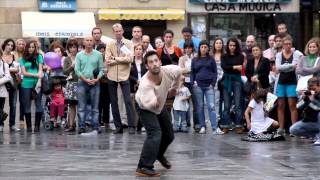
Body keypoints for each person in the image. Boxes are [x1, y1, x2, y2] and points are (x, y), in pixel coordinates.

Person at [135, 50, 181, 177]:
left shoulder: (169, 70)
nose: (154, 64)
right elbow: (146, 104)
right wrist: (153, 101)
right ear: (147, 66)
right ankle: (143, 166)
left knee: (169, 135)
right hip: (145, 107)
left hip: (159, 106)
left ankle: (158, 154)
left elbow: (179, 72)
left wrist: (174, 88)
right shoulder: (145, 84)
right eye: (151, 62)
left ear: (160, 62)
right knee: (155, 134)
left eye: (156, 61)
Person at [105, 23, 135, 134]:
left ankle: (131, 125)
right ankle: (118, 126)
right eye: (115, 31)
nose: (118, 33)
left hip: (124, 75)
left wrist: (115, 58)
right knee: (114, 102)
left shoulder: (128, 43)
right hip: (112, 75)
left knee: (127, 101)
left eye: (119, 31)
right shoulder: (110, 43)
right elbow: (107, 60)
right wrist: (120, 59)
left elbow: (130, 59)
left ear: (122, 31)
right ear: (113, 32)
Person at [75, 36, 104, 135]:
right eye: (87, 40)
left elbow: (101, 69)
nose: (89, 42)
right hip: (82, 82)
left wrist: (97, 78)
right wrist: (85, 79)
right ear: (83, 42)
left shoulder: (98, 54)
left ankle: (95, 126)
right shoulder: (79, 55)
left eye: (91, 40)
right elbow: (77, 70)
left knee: (95, 107)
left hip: (95, 83)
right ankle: (82, 126)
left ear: (93, 42)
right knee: (81, 106)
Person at [275, 35, 303, 136]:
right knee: (280, 106)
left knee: (292, 105)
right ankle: (281, 128)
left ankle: (293, 129)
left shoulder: (297, 54)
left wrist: (283, 67)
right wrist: (290, 66)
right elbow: (278, 68)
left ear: (292, 45)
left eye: (289, 44)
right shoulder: (279, 55)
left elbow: (295, 67)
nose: (288, 46)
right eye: (286, 44)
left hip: (292, 82)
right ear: (282, 45)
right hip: (281, 83)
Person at [191, 40, 220, 134]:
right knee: (200, 107)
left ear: (208, 49)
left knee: (211, 106)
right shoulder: (195, 59)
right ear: (199, 48)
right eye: (201, 47)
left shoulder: (211, 59)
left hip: (209, 86)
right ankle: (202, 126)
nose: (203, 49)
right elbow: (192, 73)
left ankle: (214, 127)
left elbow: (215, 72)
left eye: (205, 47)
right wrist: (192, 82)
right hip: (198, 86)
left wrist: (213, 83)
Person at [221, 37, 244, 134]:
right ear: (228, 46)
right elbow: (224, 67)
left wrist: (231, 67)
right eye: (230, 45)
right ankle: (226, 125)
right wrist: (235, 67)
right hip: (227, 81)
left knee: (238, 104)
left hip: (237, 81)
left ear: (236, 46)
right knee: (226, 105)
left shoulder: (241, 56)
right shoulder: (224, 56)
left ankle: (238, 125)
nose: (232, 47)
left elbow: (240, 67)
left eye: (234, 45)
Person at [19, 40, 44, 132]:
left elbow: (40, 70)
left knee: (38, 104)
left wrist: (39, 80)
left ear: (35, 48)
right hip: (26, 84)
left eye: (33, 47)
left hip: (37, 83)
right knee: (27, 105)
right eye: (29, 47)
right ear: (26, 48)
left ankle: (37, 126)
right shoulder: (22, 59)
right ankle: (29, 127)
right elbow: (24, 72)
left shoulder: (39, 57)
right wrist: (35, 75)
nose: (31, 49)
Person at [289, 77, 320, 145]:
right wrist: (303, 99)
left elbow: (318, 108)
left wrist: (313, 100)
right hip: (312, 122)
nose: (312, 91)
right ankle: (315, 136)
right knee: (293, 129)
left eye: (314, 89)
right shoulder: (309, 95)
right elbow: (298, 107)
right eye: (310, 89)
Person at [1, 38, 20, 131]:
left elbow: (17, 69)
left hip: (13, 82)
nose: (10, 47)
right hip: (2, 83)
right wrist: (10, 69)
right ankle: (1, 124)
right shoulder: (0, 56)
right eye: (8, 44)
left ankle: (12, 124)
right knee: (1, 104)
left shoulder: (14, 56)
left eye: (12, 45)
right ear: (4, 45)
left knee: (13, 104)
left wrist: (8, 69)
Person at [178, 41, 197, 131]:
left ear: (192, 48)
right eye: (186, 48)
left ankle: (196, 124)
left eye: (189, 47)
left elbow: (197, 70)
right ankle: (186, 122)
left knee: (195, 103)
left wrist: (188, 70)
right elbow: (180, 70)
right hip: (184, 82)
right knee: (184, 103)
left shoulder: (196, 57)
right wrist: (189, 69)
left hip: (194, 82)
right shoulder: (182, 58)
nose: (188, 49)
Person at [129, 43, 147, 132]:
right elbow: (127, 75)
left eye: (140, 49)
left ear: (143, 51)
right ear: (134, 51)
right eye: (137, 49)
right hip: (133, 87)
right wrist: (136, 80)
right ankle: (133, 125)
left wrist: (143, 81)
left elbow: (148, 73)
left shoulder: (145, 62)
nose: (138, 51)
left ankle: (141, 125)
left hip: (144, 87)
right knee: (134, 107)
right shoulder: (130, 62)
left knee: (143, 106)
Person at [63, 38, 79, 132]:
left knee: (81, 105)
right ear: (68, 48)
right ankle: (71, 124)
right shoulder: (67, 59)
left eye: (74, 47)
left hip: (80, 82)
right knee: (72, 105)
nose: (73, 49)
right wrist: (71, 67)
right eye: (71, 47)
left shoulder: (80, 56)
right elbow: (64, 71)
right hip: (71, 83)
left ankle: (81, 124)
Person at [212, 37, 225, 124]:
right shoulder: (210, 55)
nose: (218, 45)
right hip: (213, 80)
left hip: (223, 80)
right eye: (217, 43)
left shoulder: (225, 55)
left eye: (220, 43)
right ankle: (215, 119)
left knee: (224, 101)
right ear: (214, 45)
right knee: (215, 101)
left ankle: (222, 119)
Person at [0, 48, 13, 132]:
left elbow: (8, 77)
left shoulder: (4, 64)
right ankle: (3, 116)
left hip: (1, 89)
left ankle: (1, 124)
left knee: (0, 107)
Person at [14, 39, 26, 130]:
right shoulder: (13, 54)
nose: (21, 45)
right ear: (16, 45)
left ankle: (21, 119)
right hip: (14, 79)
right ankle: (12, 122)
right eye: (19, 44)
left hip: (24, 79)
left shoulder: (26, 55)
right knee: (13, 102)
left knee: (23, 100)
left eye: (22, 44)